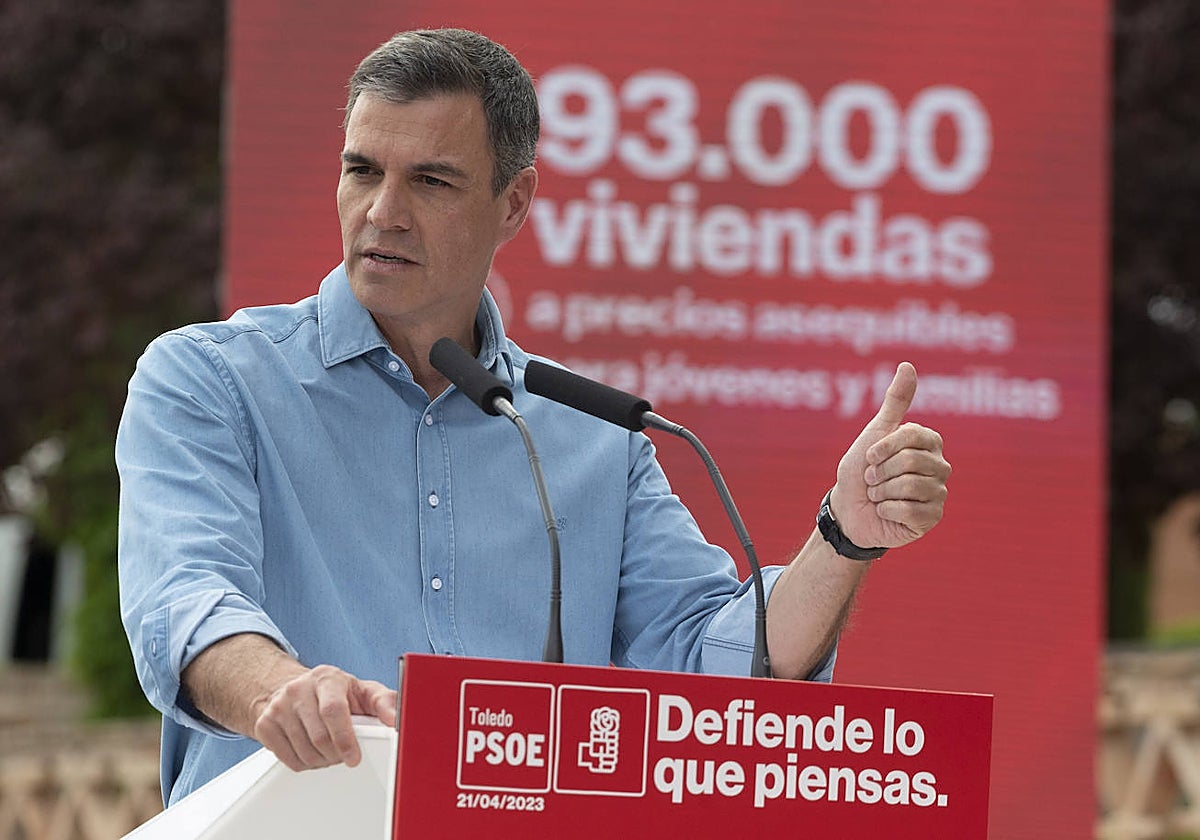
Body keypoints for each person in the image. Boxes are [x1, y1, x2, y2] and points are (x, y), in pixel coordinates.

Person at [117, 28, 950, 807]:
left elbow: (717, 668)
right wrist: (277, 692)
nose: (382, 212)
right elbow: (185, 600)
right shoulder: (209, 380)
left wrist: (844, 535)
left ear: (513, 205)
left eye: (430, 181)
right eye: (363, 170)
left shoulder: (590, 436)